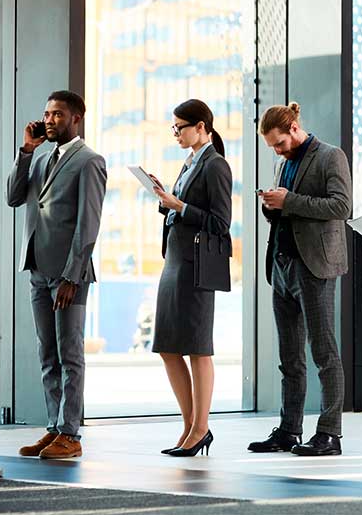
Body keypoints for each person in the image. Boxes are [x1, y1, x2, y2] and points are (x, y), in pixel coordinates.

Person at [6, 90, 107, 459]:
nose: (49, 120)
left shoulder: (90, 161)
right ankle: (53, 428)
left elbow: (88, 223)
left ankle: (71, 434)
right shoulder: (41, 157)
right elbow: (13, 197)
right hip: (37, 268)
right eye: (47, 114)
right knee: (47, 353)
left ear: (76, 118)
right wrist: (26, 152)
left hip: (69, 275)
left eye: (58, 115)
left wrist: (72, 275)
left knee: (70, 354)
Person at [248, 102, 351, 457]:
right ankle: (289, 430)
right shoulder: (283, 163)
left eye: (278, 143)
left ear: (293, 127)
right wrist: (271, 205)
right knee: (289, 357)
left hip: (315, 266)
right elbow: (287, 211)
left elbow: (341, 207)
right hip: (281, 265)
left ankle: (329, 434)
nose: (276, 151)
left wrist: (289, 200)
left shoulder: (330, 156)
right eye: (272, 147)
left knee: (323, 352)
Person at [147, 99, 232, 458]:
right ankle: (189, 425)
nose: (177, 133)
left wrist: (179, 206)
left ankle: (200, 428)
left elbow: (220, 223)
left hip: (197, 265)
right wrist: (166, 199)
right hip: (176, 261)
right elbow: (184, 210)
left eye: (181, 127)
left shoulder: (215, 165)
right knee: (167, 346)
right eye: (175, 127)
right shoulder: (190, 162)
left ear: (202, 127)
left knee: (197, 346)